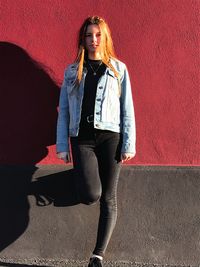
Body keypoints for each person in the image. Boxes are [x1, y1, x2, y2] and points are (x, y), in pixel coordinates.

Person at [56, 16, 136, 267]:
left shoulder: (118, 69)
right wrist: (61, 146)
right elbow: (64, 111)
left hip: (111, 137)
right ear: (83, 39)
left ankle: (97, 256)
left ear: (105, 37)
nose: (94, 40)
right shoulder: (72, 71)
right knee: (91, 194)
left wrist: (129, 143)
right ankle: (80, 176)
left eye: (98, 35)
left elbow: (127, 109)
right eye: (89, 35)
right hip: (82, 139)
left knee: (108, 198)